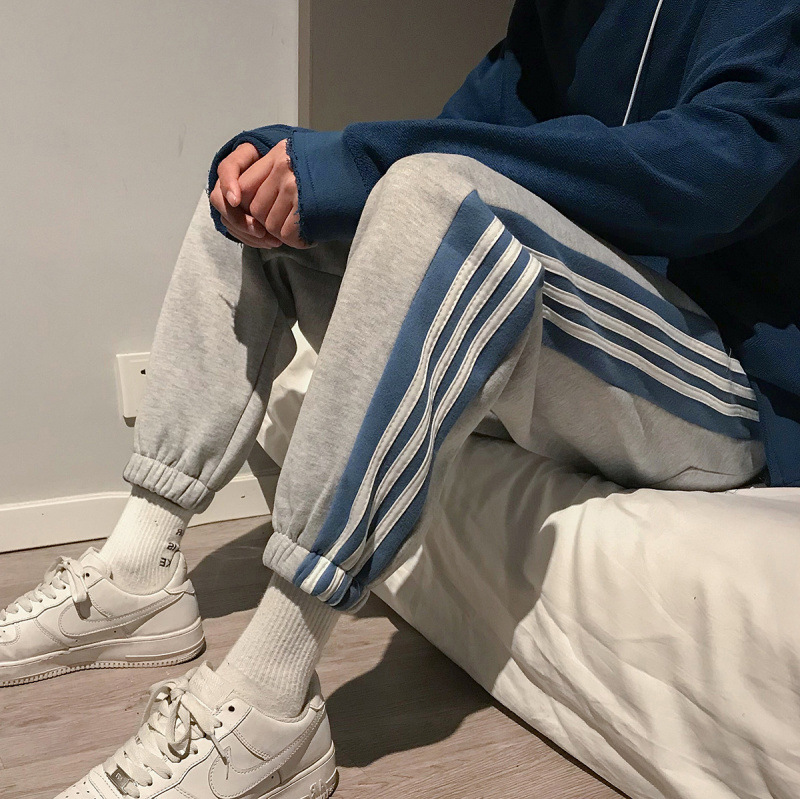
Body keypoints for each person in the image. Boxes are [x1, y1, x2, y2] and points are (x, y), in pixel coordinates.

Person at [3, 1, 799, 797]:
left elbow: (717, 170)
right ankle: (139, 564)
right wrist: (289, 166)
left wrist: (361, 161)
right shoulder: (557, 16)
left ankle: (270, 701)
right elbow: (446, 142)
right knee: (250, 199)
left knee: (427, 195)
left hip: (717, 383)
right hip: (585, 357)